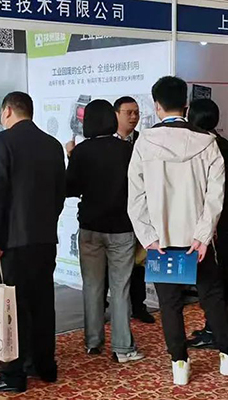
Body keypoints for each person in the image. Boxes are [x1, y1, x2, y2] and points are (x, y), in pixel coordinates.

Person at [128, 76, 228, 385]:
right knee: (213, 296)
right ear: (185, 105)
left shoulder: (144, 142)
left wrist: (150, 238)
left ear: (156, 106)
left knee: (169, 304)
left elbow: (135, 197)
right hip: (197, 242)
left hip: (162, 241)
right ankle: (226, 356)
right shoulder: (208, 143)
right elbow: (215, 196)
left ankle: (179, 364)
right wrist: (203, 235)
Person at [0, 92, 66, 393]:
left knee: (12, 308)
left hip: (12, 241)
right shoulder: (52, 144)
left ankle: (13, 374)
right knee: (43, 303)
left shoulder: (1, 142)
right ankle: (45, 365)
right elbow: (59, 193)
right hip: (45, 238)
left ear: (7, 111)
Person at [66, 99, 145, 363]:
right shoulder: (127, 150)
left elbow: (69, 188)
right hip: (122, 228)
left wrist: (70, 156)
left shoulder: (81, 151)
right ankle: (123, 348)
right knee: (120, 288)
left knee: (92, 286)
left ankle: (93, 342)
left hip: (90, 227)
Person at [185, 98, 228, 350]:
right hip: (222, 224)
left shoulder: (200, 149)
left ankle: (214, 331)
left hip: (209, 226)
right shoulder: (224, 144)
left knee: (211, 284)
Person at [113, 96, 155, 324]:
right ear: (116, 114)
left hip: (140, 211)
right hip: (114, 213)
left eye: (137, 112)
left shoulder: (144, 141)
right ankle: (105, 306)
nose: (133, 117)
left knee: (138, 263)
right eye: (128, 112)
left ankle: (139, 305)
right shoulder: (105, 142)